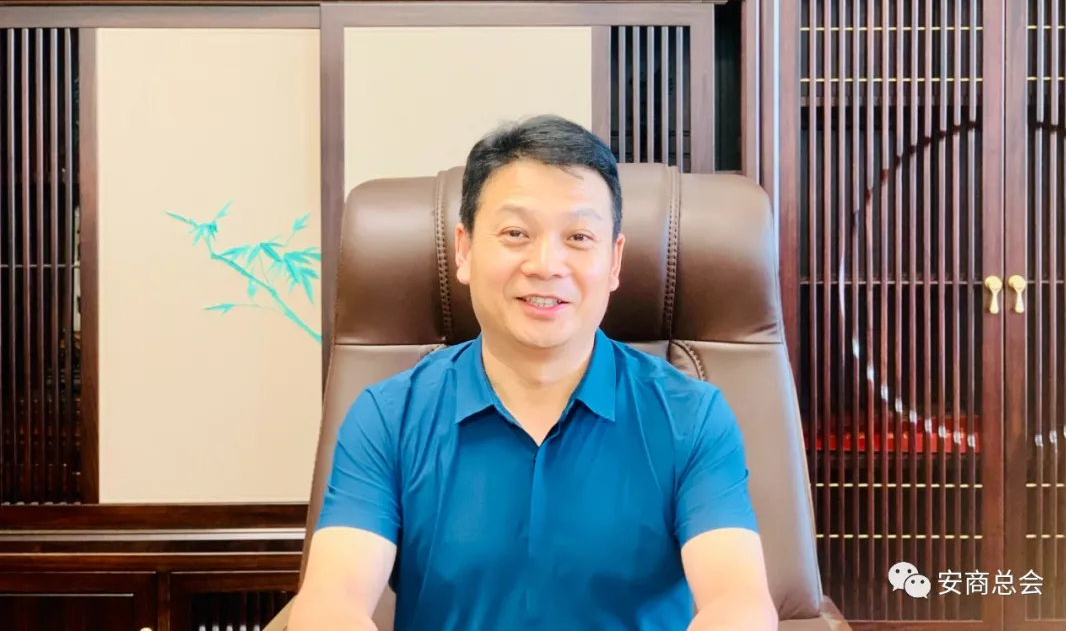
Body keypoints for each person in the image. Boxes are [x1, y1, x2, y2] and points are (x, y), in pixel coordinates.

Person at [288, 115, 778, 631]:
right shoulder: (388, 418)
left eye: (579, 236)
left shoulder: (691, 418)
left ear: (614, 262)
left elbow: (738, 602)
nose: (546, 264)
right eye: (516, 233)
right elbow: (331, 602)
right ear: (464, 249)